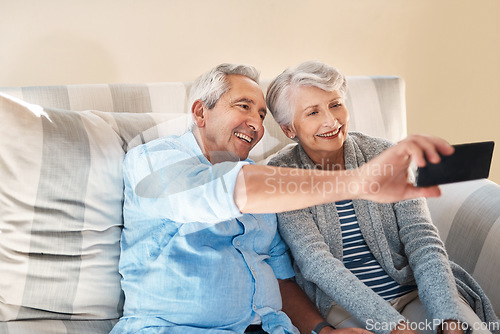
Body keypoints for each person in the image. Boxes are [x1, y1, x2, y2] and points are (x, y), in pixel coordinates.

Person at [110, 63, 455, 334]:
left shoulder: (260, 177)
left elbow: (281, 277)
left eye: (261, 114)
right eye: (243, 106)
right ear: (200, 113)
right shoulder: (155, 161)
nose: (256, 124)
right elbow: (229, 189)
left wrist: (321, 330)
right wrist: (357, 182)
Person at [266, 60, 500, 334]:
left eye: (335, 104)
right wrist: (394, 327)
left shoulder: (387, 154)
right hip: (345, 305)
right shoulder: (282, 175)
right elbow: (316, 262)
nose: (331, 121)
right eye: (313, 112)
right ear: (289, 129)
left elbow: (422, 239)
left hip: (414, 290)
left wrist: (449, 318)